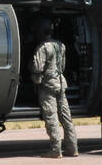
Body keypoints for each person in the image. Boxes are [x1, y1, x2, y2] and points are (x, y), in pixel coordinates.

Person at [30, 19, 78, 157]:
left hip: (48, 85)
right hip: (60, 83)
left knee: (51, 116)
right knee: (66, 117)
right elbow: (62, 66)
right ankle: (72, 147)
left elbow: (37, 67)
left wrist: (32, 73)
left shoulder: (43, 47)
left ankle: (55, 149)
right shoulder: (61, 45)